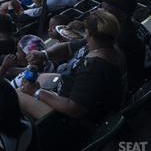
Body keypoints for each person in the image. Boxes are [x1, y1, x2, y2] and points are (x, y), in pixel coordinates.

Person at [20, 10, 125, 143]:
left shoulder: (94, 67)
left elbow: (74, 109)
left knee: (17, 94)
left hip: (72, 119)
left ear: (89, 34)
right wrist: (44, 54)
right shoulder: (104, 46)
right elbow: (68, 47)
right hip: (67, 90)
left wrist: (36, 92)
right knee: (39, 78)